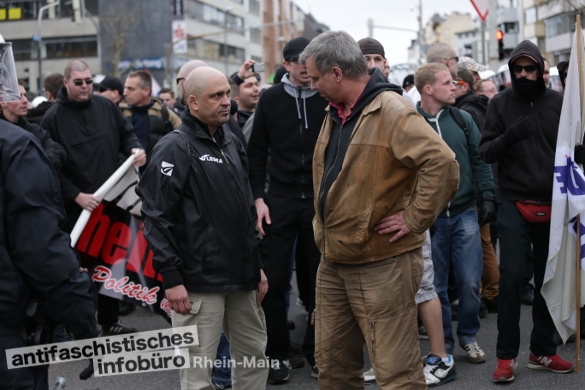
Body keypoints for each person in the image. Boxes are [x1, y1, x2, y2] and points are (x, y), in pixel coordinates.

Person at [301, 30, 460, 390]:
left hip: (381, 264)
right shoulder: (335, 110)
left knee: (396, 374)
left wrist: (413, 219)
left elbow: (443, 164)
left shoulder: (393, 109)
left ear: (337, 73)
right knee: (333, 369)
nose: (312, 86)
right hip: (334, 260)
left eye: (314, 77)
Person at [138, 66, 269, 390]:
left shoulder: (231, 142)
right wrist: (171, 278)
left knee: (253, 358)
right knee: (198, 373)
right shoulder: (174, 147)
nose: (228, 101)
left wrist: (258, 268)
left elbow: (243, 210)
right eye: (217, 96)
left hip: (242, 276)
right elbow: (155, 216)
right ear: (193, 102)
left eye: (227, 93)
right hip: (197, 282)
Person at [359, 37, 457, 387]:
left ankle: (441, 357)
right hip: (372, 221)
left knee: (423, 286)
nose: (371, 64)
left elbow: (440, 163)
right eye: (365, 58)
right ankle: (388, 361)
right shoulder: (351, 107)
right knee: (381, 295)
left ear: (386, 65)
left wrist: (414, 216)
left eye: (377, 59)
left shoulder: (399, 104)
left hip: (405, 216)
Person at [479, 40, 574, 383]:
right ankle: (505, 356)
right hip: (513, 201)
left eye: (528, 68)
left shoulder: (561, 103)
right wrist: (509, 137)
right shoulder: (500, 104)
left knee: (549, 279)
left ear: (540, 69)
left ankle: (542, 350)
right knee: (512, 278)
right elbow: (486, 151)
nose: (522, 74)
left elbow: (571, 149)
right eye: (517, 69)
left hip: (554, 201)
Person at [41, 59, 146, 336]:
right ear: (66, 83)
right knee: (79, 271)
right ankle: (82, 328)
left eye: (89, 81)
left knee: (111, 264)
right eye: (79, 82)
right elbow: (50, 167)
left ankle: (110, 321)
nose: (86, 87)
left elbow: (127, 135)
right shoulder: (52, 118)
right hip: (77, 209)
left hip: (112, 203)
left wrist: (136, 149)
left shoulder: (107, 106)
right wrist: (76, 196)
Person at [247, 36, 329, 383]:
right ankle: (277, 353)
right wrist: (258, 199)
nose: (305, 68)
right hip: (278, 200)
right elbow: (255, 153)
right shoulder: (270, 99)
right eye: (298, 61)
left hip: (317, 202)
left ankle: (316, 352)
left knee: (319, 282)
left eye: (310, 61)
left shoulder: (327, 96)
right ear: (287, 64)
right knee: (275, 280)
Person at [416, 62, 495, 365]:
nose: (456, 86)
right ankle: (443, 344)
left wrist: (487, 194)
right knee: (435, 287)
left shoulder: (463, 119)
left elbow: (480, 159)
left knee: (469, 282)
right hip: (429, 220)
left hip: (464, 214)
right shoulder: (411, 123)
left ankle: (469, 338)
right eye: (448, 82)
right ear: (428, 89)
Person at [0, 81, 66, 170]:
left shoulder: (34, 130)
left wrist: (33, 165)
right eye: (18, 96)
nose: (25, 100)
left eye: (25, 95)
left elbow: (58, 151)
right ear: (3, 102)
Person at [120, 70, 181, 155]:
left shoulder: (165, 114)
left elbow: (184, 140)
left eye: (130, 89)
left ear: (146, 91)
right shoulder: (120, 113)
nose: (125, 93)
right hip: (128, 167)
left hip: (158, 167)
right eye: (125, 88)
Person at [230, 60, 261, 129]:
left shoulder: (264, 114)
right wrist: (240, 76)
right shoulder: (232, 119)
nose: (256, 89)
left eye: (256, 84)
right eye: (249, 86)